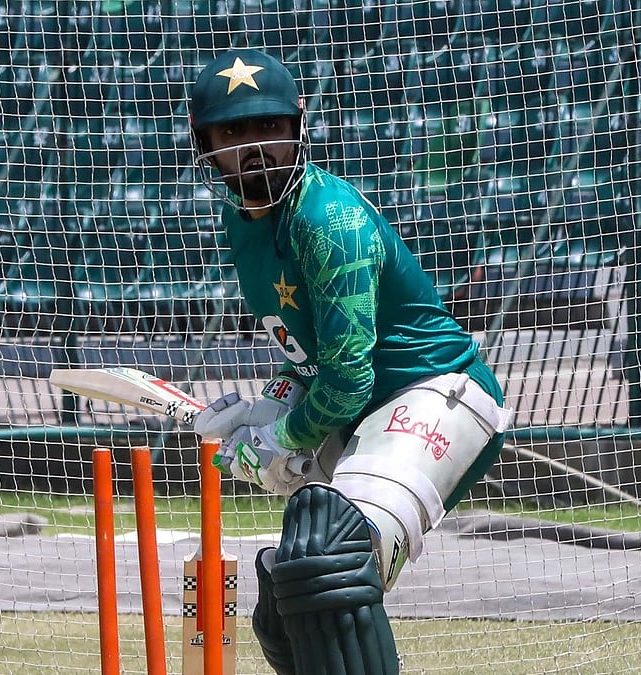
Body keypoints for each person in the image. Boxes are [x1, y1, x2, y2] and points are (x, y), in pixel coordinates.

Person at [187, 48, 513, 675]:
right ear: (206, 143)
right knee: (288, 603)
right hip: (357, 411)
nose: (254, 148)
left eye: (268, 126)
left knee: (330, 558)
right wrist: (274, 402)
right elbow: (311, 356)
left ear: (298, 124)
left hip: (435, 393)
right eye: (234, 132)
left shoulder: (328, 220)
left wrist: (281, 436)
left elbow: (350, 374)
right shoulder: (242, 224)